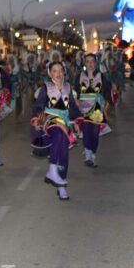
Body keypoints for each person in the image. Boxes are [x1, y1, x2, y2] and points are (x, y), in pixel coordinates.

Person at [32, 61, 81, 201]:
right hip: (49, 119)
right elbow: (38, 106)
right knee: (58, 133)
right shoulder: (45, 88)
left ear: (64, 72)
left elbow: (72, 107)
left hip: (64, 121)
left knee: (64, 152)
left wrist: (76, 120)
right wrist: (37, 119)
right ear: (49, 73)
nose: (58, 73)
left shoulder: (68, 87)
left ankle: (61, 184)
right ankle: (52, 170)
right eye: (54, 71)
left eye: (60, 70)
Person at [75, 53, 115, 168]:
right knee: (87, 130)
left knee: (95, 133)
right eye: (87, 61)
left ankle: (92, 152)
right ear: (85, 63)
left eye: (92, 61)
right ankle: (88, 156)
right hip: (84, 108)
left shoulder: (101, 76)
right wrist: (77, 100)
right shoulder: (80, 76)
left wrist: (107, 106)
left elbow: (107, 91)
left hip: (97, 108)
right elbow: (75, 91)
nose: (90, 64)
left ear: (95, 62)